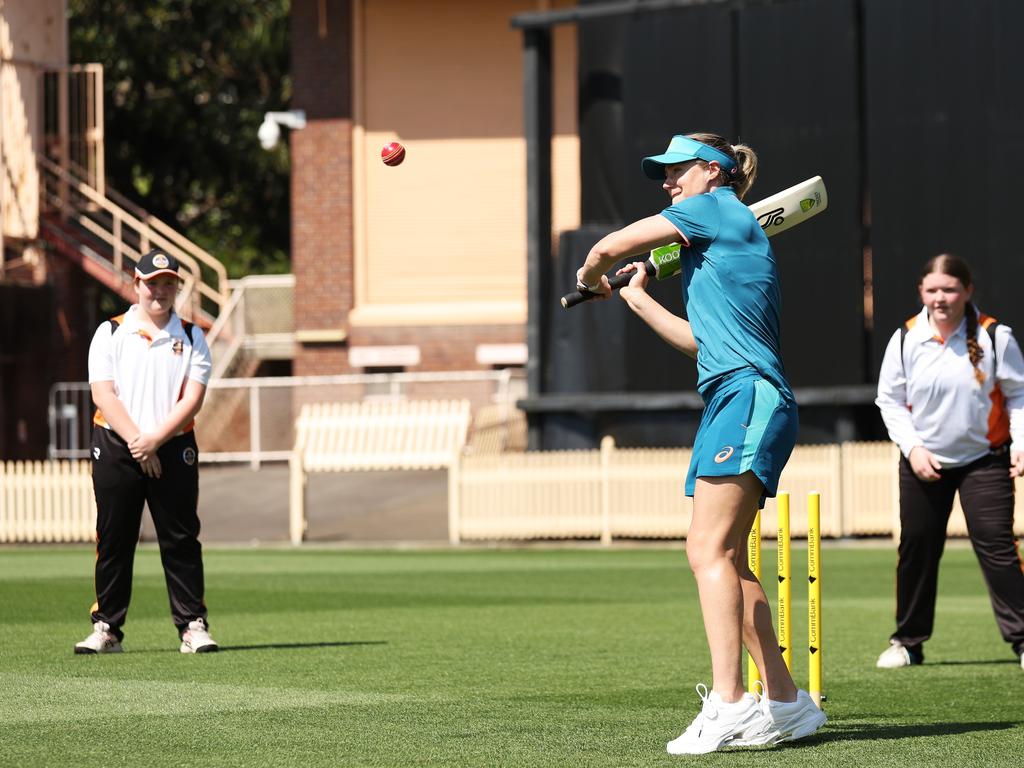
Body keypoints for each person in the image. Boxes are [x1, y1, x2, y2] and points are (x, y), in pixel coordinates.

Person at [574, 133, 826, 754]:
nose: (667, 182)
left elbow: (607, 245)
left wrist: (592, 274)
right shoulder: (718, 237)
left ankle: (730, 703)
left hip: (746, 395)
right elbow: (698, 343)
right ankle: (788, 703)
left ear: (711, 172)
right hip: (732, 393)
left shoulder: (712, 208)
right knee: (729, 560)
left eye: (675, 170)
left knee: (705, 549)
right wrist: (632, 294)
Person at [875, 253, 1024, 671]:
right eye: (933, 290)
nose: (941, 298)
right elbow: (889, 400)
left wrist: (1020, 443)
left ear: (967, 291)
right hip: (924, 460)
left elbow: (1018, 393)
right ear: (921, 292)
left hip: (985, 459)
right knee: (917, 548)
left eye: (950, 289)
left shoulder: (996, 336)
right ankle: (908, 642)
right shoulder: (905, 338)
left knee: (997, 547)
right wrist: (913, 447)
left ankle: (1023, 641)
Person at [74, 248, 219, 655]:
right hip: (117, 444)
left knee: (181, 537)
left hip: (172, 446)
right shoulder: (110, 331)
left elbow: (192, 399)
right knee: (115, 537)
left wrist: (156, 440)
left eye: (167, 284)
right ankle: (107, 628)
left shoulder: (192, 336)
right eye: (151, 283)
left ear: (176, 287)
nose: (159, 291)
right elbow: (103, 393)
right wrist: (141, 444)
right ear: (136, 284)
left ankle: (193, 626)